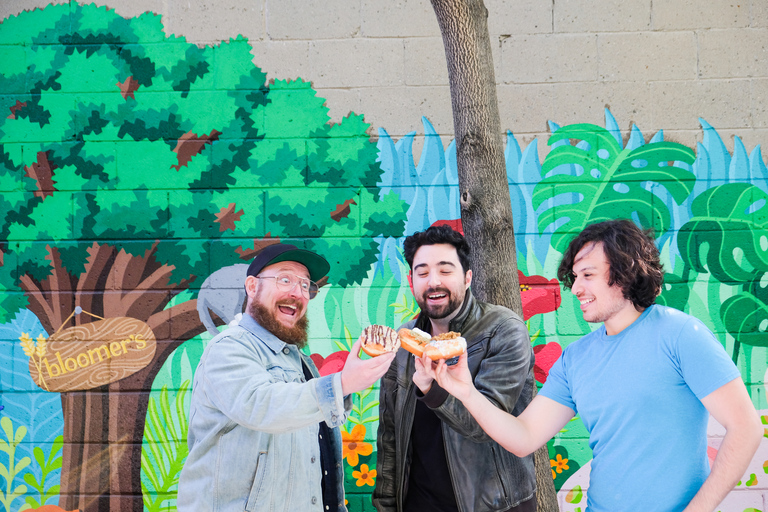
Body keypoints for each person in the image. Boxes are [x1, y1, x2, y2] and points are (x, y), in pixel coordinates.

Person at [426, 219, 763, 512]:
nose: (577, 288)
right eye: (575, 276)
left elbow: (745, 428)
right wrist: (466, 392)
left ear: (625, 272)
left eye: (588, 275)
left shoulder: (680, 335)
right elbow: (524, 436)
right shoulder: (576, 359)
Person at [178, 243, 395, 512]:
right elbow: (261, 405)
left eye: (306, 285)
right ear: (252, 286)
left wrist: (348, 385)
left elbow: (311, 432)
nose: (298, 293)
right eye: (285, 279)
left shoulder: (296, 358)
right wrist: (343, 383)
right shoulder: (229, 348)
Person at [373, 225, 538, 512]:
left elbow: (488, 426)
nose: (433, 282)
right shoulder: (404, 340)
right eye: (422, 273)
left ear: (467, 278)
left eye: (445, 270)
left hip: (493, 504)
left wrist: (432, 390)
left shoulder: (503, 330)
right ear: (412, 281)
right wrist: (387, 504)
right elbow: (390, 433)